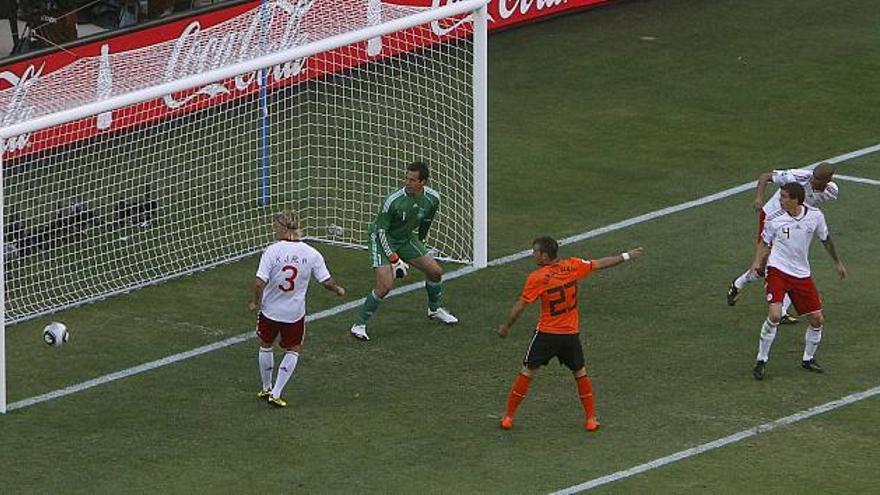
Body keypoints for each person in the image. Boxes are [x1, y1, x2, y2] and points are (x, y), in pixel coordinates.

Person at [496, 236, 644, 431]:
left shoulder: (537, 278)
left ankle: (508, 417)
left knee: (527, 372)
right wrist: (626, 256)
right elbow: (600, 264)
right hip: (570, 334)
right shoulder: (573, 265)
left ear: (545, 255)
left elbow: (521, 306)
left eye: (535, 252)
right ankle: (591, 419)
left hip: (547, 334)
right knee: (580, 373)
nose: (533, 254)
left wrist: (506, 326)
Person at [349, 161, 458, 341]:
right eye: (406, 178)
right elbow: (381, 231)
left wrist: (420, 245)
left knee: (435, 271)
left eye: (412, 180)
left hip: (406, 239)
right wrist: (393, 258)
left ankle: (434, 309)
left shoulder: (432, 198)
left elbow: (426, 222)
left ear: (423, 182)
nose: (407, 182)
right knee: (385, 285)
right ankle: (359, 324)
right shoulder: (393, 201)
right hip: (381, 239)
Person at [249, 209, 346, 407]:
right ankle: (276, 393)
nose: (274, 229)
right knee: (293, 350)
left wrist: (255, 302)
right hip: (294, 314)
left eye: (276, 225)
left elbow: (259, 282)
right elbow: (326, 280)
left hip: (269, 310)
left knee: (265, 344)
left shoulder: (272, 251)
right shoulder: (311, 254)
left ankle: (266, 387)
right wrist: (337, 289)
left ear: (283, 227)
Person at [750, 182, 845, 380]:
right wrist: (757, 263)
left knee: (817, 319)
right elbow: (764, 242)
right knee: (775, 315)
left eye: (784, 197)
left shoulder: (815, 216)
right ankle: (761, 360)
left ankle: (808, 359)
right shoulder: (774, 219)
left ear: (796, 200)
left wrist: (837, 263)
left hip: (801, 274)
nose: (780, 199)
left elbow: (825, 239)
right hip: (777, 270)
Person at [727, 162, 839, 324]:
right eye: (813, 177)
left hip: (793, 223)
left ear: (827, 180)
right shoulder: (798, 177)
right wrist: (759, 198)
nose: (813, 181)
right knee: (766, 266)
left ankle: (780, 309)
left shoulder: (831, 191)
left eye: (818, 179)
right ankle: (739, 284)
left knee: (787, 266)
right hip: (772, 219)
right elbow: (765, 176)